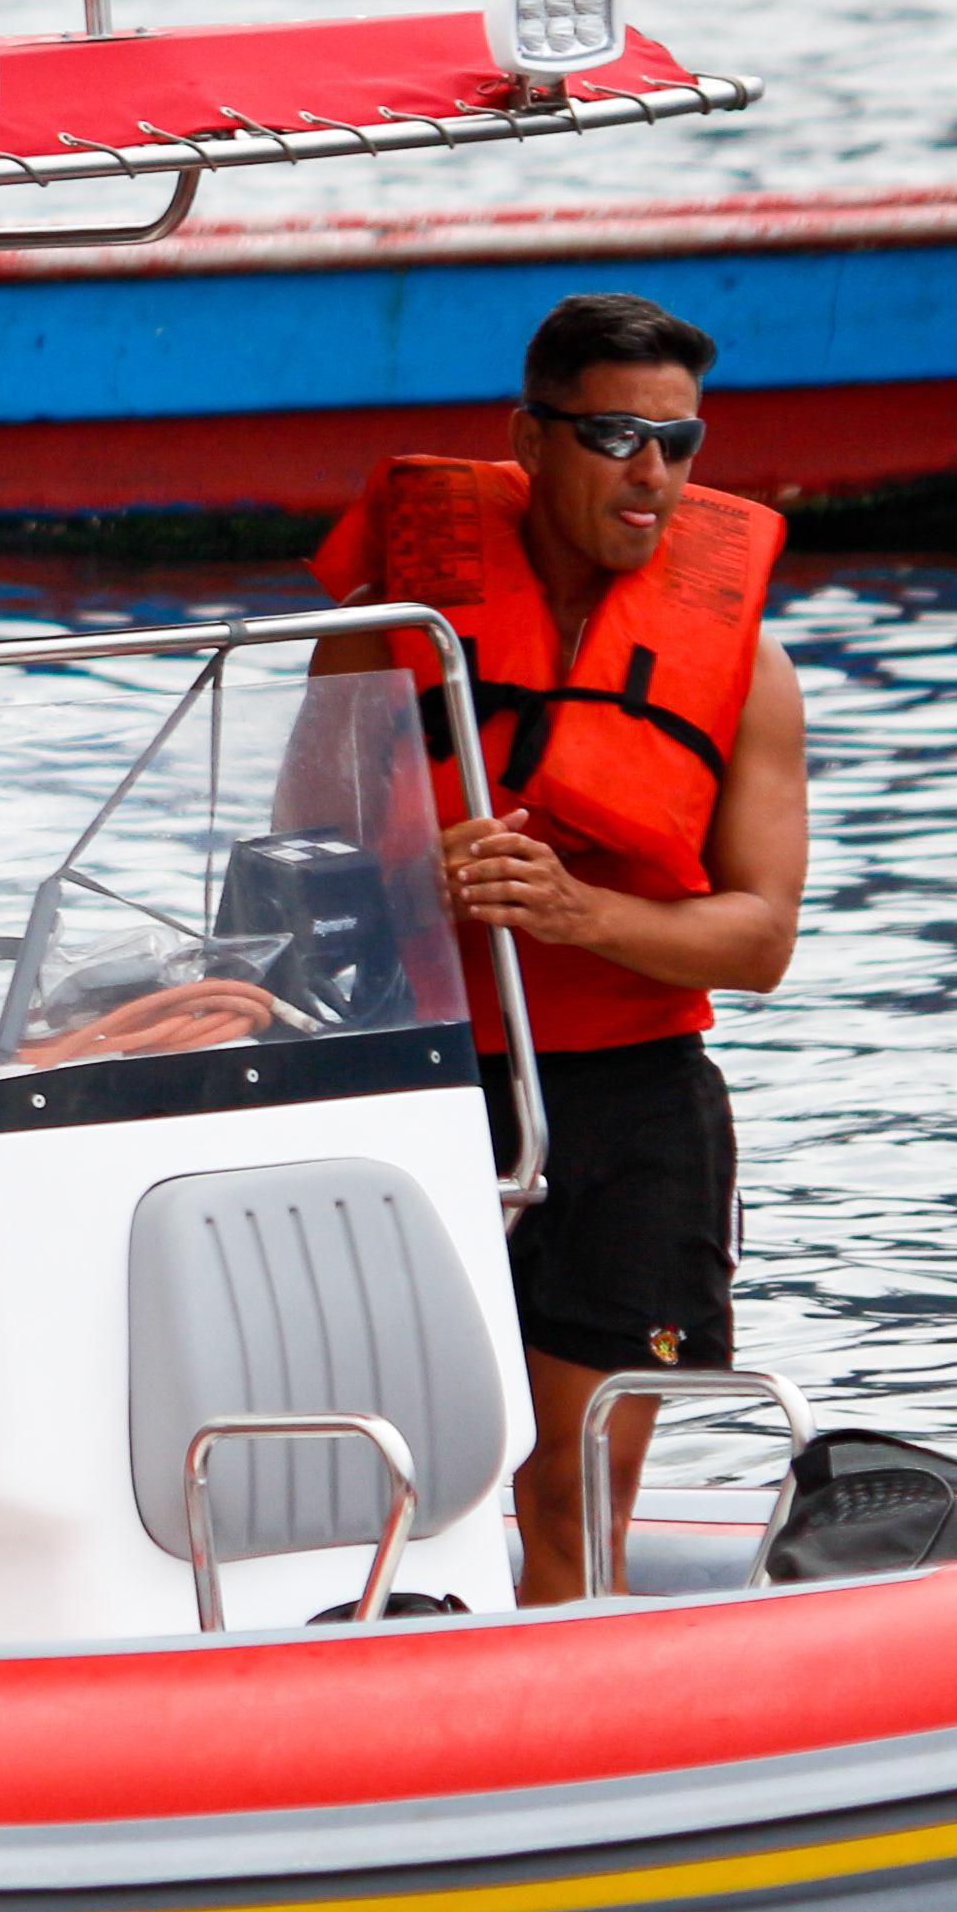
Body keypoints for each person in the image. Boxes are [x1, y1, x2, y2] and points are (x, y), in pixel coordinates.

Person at [311, 291, 807, 1605]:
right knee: (415, 1470)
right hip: (431, 1092)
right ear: (530, 440)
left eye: (680, 444)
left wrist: (575, 911)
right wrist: (419, 874)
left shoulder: (745, 666)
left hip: (634, 1104)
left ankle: (567, 1733)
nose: (653, 474)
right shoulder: (382, 629)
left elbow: (760, 940)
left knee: (579, 1486)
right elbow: (294, 874)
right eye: (615, 437)